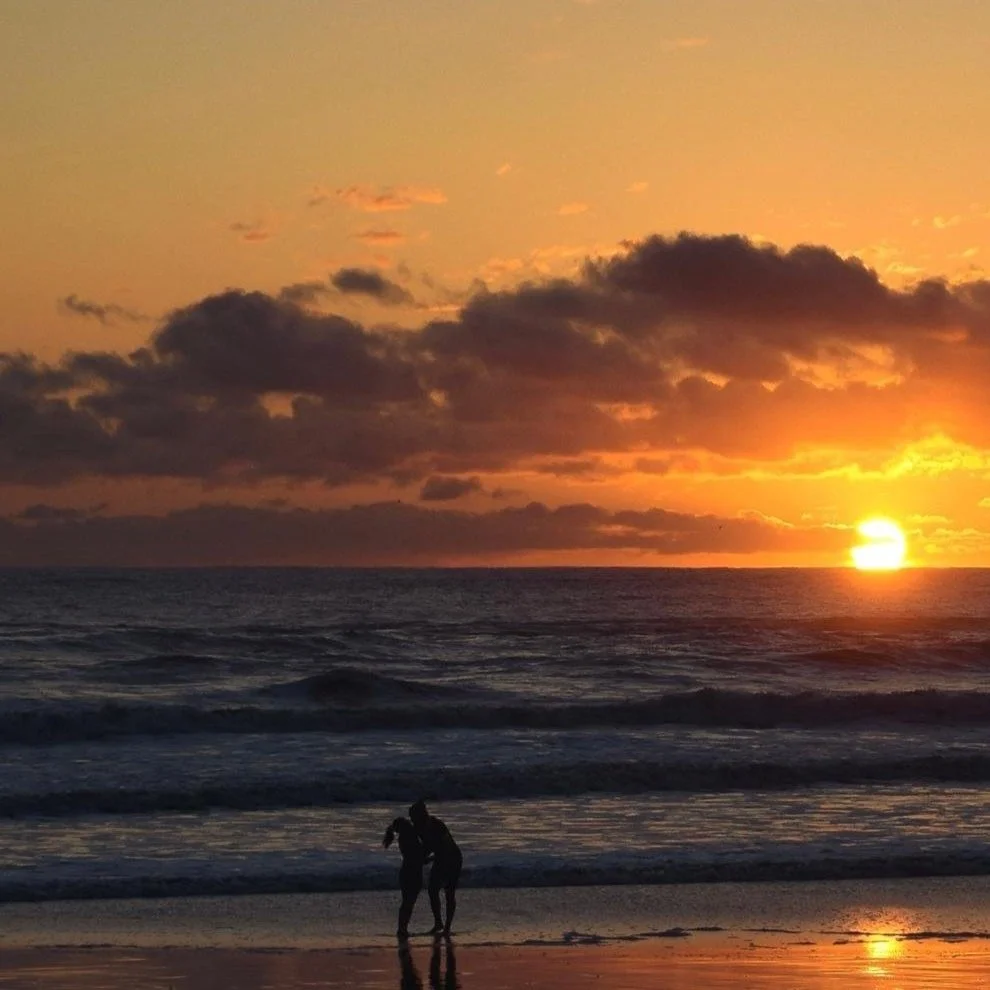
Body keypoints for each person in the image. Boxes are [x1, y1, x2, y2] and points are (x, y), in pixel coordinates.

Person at [408, 799, 462, 935]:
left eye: (414, 817)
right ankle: (438, 923)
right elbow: (422, 847)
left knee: (449, 892)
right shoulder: (417, 827)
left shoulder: (437, 825)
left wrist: (427, 858)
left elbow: (443, 847)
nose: (412, 820)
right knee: (432, 890)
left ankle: (447, 927)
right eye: (411, 818)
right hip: (439, 857)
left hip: (453, 858)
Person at [383, 816, 425, 939]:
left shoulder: (404, 838)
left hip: (407, 871)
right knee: (408, 902)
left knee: (407, 902)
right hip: (413, 872)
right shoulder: (409, 838)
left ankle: (402, 929)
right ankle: (402, 929)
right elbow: (417, 856)